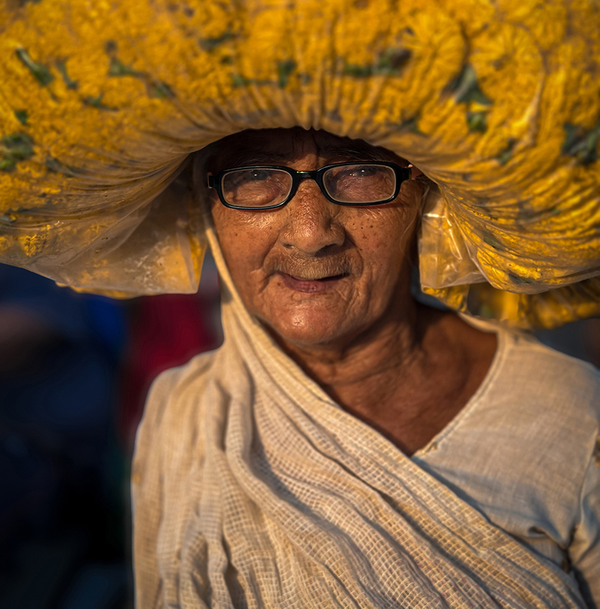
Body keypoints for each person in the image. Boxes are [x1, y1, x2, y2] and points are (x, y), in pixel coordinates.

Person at [132, 127, 600, 609]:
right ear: (207, 201)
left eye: (359, 172)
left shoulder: (569, 411)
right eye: (255, 175)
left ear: (426, 194)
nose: (311, 234)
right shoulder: (183, 413)